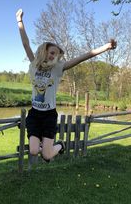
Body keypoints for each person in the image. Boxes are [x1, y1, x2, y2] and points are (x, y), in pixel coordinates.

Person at [16, 8, 117, 162]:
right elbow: (25, 44)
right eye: (51, 52)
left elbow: (85, 56)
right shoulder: (34, 64)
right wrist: (20, 22)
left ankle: (60, 146)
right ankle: (43, 144)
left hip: (49, 115)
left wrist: (106, 47)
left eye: (56, 54)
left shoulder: (58, 68)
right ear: (44, 51)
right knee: (34, 151)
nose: (53, 55)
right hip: (35, 114)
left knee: (47, 155)